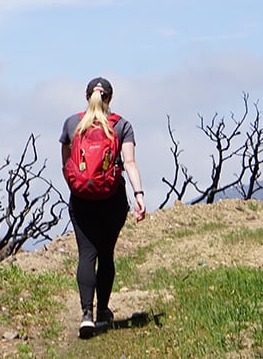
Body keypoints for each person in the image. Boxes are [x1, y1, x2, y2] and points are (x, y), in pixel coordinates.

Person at [59, 77, 146, 339]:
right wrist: (139, 194)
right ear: (110, 98)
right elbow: (129, 163)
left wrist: (79, 188)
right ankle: (102, 313)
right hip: (112, 199)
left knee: (87, 253)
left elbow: (66, 166)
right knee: (106, 254)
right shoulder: (121, 125)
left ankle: (86, 315)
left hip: (82, 199)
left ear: (87, 97)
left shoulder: (72, 124)